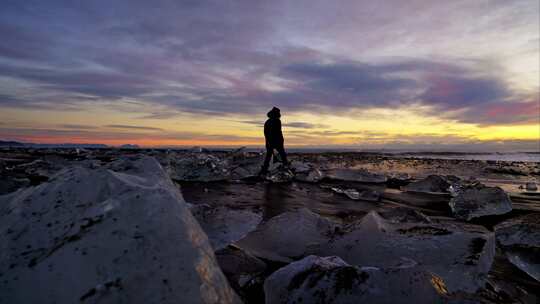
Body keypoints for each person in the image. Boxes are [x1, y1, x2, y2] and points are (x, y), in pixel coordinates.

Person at [260, 107, 288, 175]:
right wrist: (280, 141)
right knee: (282, 155)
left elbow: (265, 133)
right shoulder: (277, 121)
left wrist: (268, 141)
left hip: (269, 142)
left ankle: (265, 170)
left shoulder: (267, 121)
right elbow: (278, 132)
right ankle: (286, 167)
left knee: (269, 156)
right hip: (276, 142)